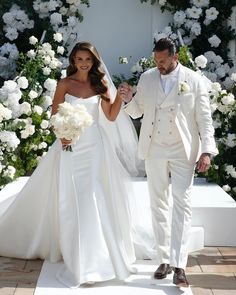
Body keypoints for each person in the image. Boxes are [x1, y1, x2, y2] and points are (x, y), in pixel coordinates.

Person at [0, 42, 138, 288]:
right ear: (73, 60)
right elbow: (55, 116)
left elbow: (111, 115)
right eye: (79, 59)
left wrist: (123, 99)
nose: (83, 63)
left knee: (92, 194)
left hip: (94, 147)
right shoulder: (65, 84)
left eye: (88, 59)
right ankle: (76, 251)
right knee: (71, 197)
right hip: (69, 147)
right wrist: (62, 133)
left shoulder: (100, 84)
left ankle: (96, 258)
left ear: (94, 61)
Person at [121, 37, 218, 287]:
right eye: (156, 60)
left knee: (182, 205)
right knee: (158, 204)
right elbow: (136, 112)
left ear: (176, 57)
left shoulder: (194, 80)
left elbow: (204, 119)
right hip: (154, 148)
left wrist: (206, 151)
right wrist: (128, 99)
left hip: (183, 149)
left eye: (163, 61)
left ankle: (179, 265)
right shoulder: (147, 78)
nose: (159, 65)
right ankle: (163, 259)